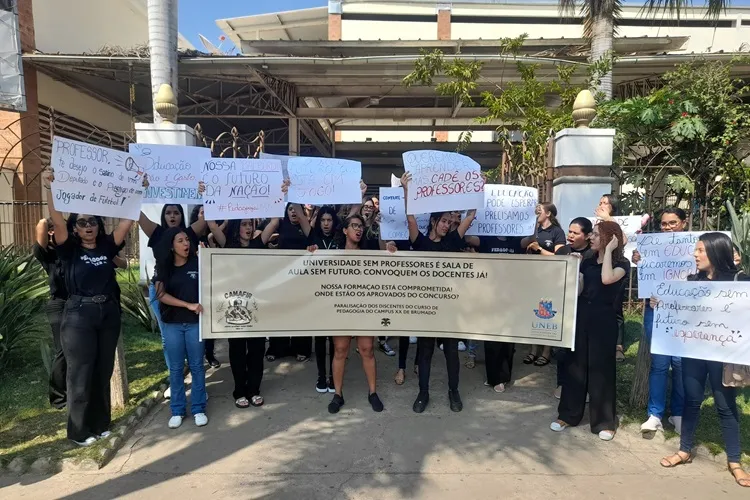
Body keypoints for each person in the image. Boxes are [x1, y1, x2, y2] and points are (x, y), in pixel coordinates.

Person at [43, 170, 140, 446]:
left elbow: (127, 221)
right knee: (81, 372)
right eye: (82, 222)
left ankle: (100, 424)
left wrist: (138, 190)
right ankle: (78, 431)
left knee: (102, 370)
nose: (88, 226)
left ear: (98, 225)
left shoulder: (107, 246)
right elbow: (57, 220)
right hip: (79, 316)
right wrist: (50, 188)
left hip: (107, 313)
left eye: (93, 222)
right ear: (75, 228)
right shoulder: (69, 249)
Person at [659, 233, 750, 488]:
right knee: (691, 401)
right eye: (696, 250)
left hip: (724, 357)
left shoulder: (739, 280)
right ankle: (684, 450)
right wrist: (662, 304)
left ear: (715, 251)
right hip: (694, 352)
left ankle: (734, 461)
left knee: (725, 405)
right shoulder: (692, 282)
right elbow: (681, 312)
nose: (695, 255)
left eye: (700, 250)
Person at [400, 171, 477, 413]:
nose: (446, 225)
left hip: (450, 308)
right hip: (426, 308)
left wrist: (477, 188)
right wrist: (406, 190)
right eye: (443, 221)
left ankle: (454, 392)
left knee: (451, 352)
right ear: (434, 222)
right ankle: (423, 393)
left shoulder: (453, 241)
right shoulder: (420, 242)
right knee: (425, 352)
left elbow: (470, 215)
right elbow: (410, 218)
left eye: (449, 222)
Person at [551, 220, 628, 441]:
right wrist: (576, 270)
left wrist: (609, 251)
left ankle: (604, 422)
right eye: (592, 234)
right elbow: (579, 291)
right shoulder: (587, 261)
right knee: (574, 367)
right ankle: (568, 415)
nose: (591, 237)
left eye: (595, 234)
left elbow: (607, 279)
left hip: (604, 321)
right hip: (582, 317)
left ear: (609, 238)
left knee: (601, 371)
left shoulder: (622, 263)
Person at [308, 214, 384, 414]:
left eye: (361, 226)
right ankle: (338, 395)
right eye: (354, 226)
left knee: (367, 349)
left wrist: (391, 248)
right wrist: (312, 254)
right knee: (340, 350)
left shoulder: (369, 254)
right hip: (341, 309)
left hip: (363, 308)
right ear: (344, 230)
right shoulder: (332, 254)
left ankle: (373, 393)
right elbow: (317, 273)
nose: (358, 229)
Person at [140, 204, 208, 399]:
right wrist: (134, 191)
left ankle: (198, 390)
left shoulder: (188, 233)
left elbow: (209, 216)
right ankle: (175, 380)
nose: (172, 216)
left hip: (188, 287)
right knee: (168, 338)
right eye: (168, 212)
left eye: (176, 212)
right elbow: (137, 214)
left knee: (194, 342)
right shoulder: (157, 232)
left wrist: (207, 195)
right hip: (162, 288)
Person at [209, 217, 279, 408]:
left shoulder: (258, 243)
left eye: (250, 224)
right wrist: (215, 204)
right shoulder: (228, 244)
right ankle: (239, 391)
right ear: (236, 226)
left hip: (256, 307)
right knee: (237, 350)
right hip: (234, 307)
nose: (248, 228)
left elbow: (274, 222)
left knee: (256, 350)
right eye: (244, 224)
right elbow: (212, 225)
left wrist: (278, 199)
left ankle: (254, 390)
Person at [632, 208, 686, 434]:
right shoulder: (652, 246)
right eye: (664, 224)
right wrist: (638, 261)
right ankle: (655, 414)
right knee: (660, 364)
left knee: (681, 365)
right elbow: (646, 275)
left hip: (685, 313)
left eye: (673, 223)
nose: (667, 227)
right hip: (655, 310)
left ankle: (678, 414)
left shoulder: (693, 247)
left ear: (683, 223)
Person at [154, 227, 207, 428]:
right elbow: (160, 295)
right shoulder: (163, 266)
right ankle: (177, 410)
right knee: (176, 368)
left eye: (187, 240)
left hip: (195, 324)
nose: (186, 244)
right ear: (171, 246)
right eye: (180, 241)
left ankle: (198, 408)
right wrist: (187, 305)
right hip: (172, 324)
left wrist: (207, 258)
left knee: (197, 366)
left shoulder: (197, 263)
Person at [465, 234, 528, 391]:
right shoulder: (486, 239)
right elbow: (467, 238)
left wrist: (533, 222)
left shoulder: (516, 241)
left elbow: (531, 238)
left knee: (507, 339)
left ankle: (503, 377)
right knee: (491, 339)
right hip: (489, 295)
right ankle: (493, 377)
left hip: (510, 296)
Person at [553, 217, 594, 399]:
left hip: (586, 308)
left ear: (587, 236)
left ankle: (584, 387)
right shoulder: (563, 251)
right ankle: (562, 383)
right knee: (562, 349)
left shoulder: (593, 254)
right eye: (569, 231)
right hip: (564, 306)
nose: (570, 235)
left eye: (575, 233)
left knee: (583, 349)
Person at [266, 203, 313, 362]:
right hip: (282, 277)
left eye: (296, 209)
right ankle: (277, 348)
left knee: (300, 313)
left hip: (302, 277)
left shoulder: (307, 228)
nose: (293, 212)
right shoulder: (280, 225)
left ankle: (301, 349)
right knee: (280, 313)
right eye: (290, 209)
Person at [523, 202, 566, 367]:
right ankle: (533, 351)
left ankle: (546, 352)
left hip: (550, 278)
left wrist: (539, 249)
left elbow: (560, 256)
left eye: (539, 210)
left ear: (548, 213)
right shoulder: (533, 230)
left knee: (547, 314)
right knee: (532, 313)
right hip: (533, 277)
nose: (536, 213)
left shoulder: (557, 232)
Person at [595, 194, 629, 362]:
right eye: (600, 202)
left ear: (612, 207)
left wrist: (608, 219)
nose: (601, 205)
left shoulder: (614, 222)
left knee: (615, 307)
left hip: (614, 266)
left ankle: (618, 346)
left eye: (605, 203)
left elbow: (623, 240)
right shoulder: (597, 223)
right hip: (599, 265)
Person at [189, 204, 220, 367]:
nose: (205, 216)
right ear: (196, 215)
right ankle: (194, 357)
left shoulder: (212, 236)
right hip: (192, 284)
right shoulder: (188, 236)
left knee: (209, 320)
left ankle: (209, 354)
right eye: (202, 213)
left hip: (210, 284)